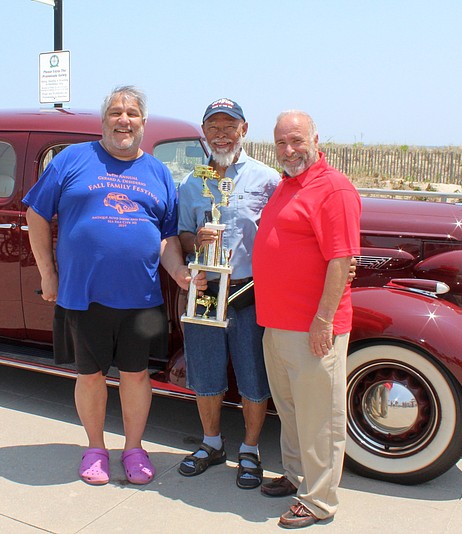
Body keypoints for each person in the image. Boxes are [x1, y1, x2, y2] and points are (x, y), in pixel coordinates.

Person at [23, 86, 204, 487]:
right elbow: (36, 213)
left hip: (141, 298)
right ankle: (94, 449)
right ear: (104, 120)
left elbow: (166, 237)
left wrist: (178, 273)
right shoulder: (72, 159)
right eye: (117, 113)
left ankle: (134, 449)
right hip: (84, 295)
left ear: (143, 122)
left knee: (136, 376)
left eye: (133, 113)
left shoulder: (157, 172)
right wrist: (47, 273)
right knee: (89, 376)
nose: (125, 120)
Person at [253, 110, 361, 529]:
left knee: (320, 417)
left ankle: (318, 501)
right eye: (281, 143)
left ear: (316, 139)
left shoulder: (333, 188)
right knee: (293, 410)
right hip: (277, 323)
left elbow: (340, 259)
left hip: (312, 327)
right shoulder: (286, 185)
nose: (289, 150)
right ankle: (298, 477)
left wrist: (323, 320)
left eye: (297, 140)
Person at [176, 98, 280, 489]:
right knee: (205, 372)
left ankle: (250, 449)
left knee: (254, 376)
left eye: (229, 126)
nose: (221, 134)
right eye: (213, 127)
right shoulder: (191, 182)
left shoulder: (267, 179)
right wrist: (194, 243)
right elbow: (183, 232)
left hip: (250, 291)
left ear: (244, 130)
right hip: (205, 289)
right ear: (204, 132)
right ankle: (211, 443)